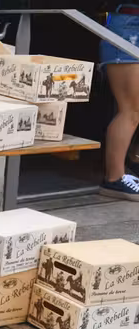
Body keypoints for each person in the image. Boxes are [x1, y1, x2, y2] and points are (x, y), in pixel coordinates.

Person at [100, 4, 139, 200]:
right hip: (130, 25)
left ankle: (132, 162)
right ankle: (114, 178)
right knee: (131, 109)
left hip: (130, 22)